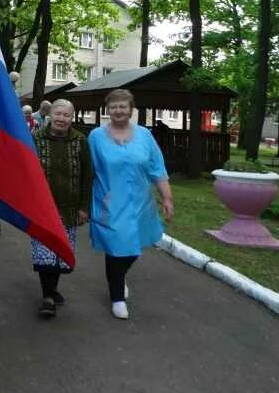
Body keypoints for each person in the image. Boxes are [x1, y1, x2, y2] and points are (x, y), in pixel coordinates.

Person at [88, 89, 174, 320]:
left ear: (131, 109)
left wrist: (167, 198)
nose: (118, 110)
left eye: (123, 106)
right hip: (109, 202)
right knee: (116, 247)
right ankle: (117, 297)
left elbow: (157, 167)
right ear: (108, 109)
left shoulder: (145, 135)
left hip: (140, 202)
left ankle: (119, 277)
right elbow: (89, 170)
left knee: (132, 247)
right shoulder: (96, 136)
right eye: (114, 106)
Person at [31, 99, 92, 318]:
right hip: (42, 209)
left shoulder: (80, 141)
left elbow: (88, 176)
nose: (61, 119)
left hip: (69, 208)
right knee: (45, 253)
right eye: (58, 114)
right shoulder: (36, 139)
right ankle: (47, 296)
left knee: (59, 253)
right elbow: (26, 172)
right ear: (50, 115)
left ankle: (52, 288)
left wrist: (84, 207)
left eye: (66, 115)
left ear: (72, 117)